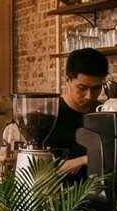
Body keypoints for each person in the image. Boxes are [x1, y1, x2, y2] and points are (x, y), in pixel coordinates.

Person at [46, 48, 109, 179]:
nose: (89, 96)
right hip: (61, 197)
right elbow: (36, 172)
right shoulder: (48, 116)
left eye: (96, 88)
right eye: (82, 88)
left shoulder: (105, 114)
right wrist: (84, 160)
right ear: (67, 80)